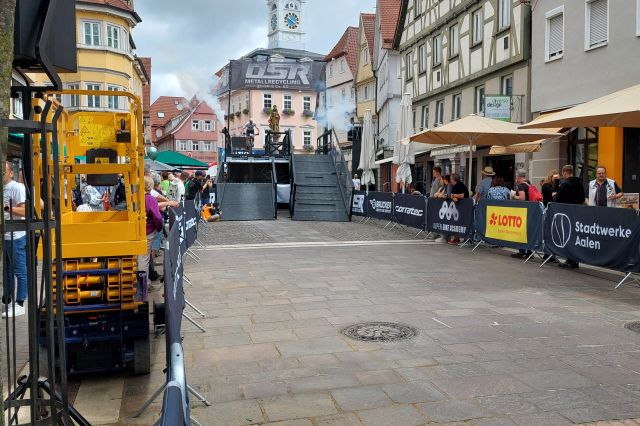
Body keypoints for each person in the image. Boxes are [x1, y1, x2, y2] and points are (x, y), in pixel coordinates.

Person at [3, 161, 27, 317]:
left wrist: (6, 208)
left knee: (19, 270)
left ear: (11, 173)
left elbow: (24, 210)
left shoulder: (16, 187)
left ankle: (20, 303)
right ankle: (9, 299)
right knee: (7, 271)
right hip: (5, 235)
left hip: (16, 235)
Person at [555, 165, 586, 269]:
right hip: (577, 213)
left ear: (564, 173)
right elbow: (582, 198)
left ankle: (570, 260)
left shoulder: (565, 184)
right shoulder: (579, 183)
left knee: (568, 237)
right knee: (575, 236)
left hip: (566, 214)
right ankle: (574, 260)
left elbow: (557, 199)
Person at [140, 176, 163, 285]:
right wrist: (159, 227)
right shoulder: (149, 198)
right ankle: (144, 285)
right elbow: (157, 217)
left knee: (141, 258)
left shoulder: (135, 197)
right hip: (148, 231)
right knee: (144, 259)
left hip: (138, 231)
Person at [510, 169, 533, 259]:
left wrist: (513, 196)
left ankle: (522, 251)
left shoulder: (521, 185)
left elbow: (522, 198)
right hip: (530, 210)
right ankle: (529, 251)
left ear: (519, 177)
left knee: (522, 231)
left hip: (523, 211)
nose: (516, 178)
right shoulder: (528, 184)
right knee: (527, 232)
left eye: (516, 177)